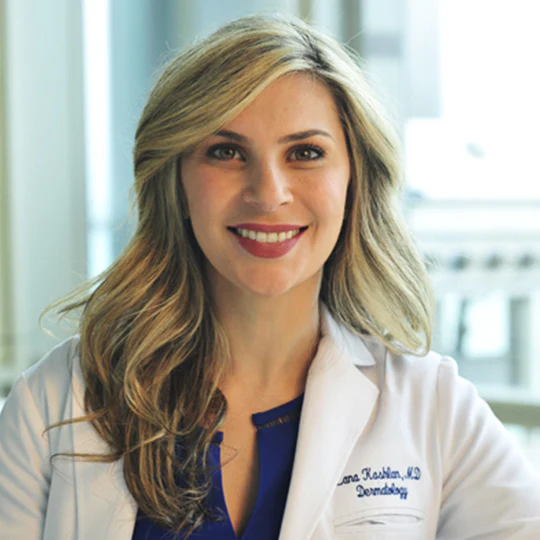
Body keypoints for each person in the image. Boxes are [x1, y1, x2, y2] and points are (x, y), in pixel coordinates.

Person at [1, 13, 539, 540]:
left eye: (305, 153)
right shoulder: (59, 398)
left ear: (354, 183)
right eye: (226, 152)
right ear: (177, 184)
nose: (268, 191)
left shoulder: (433, 406)